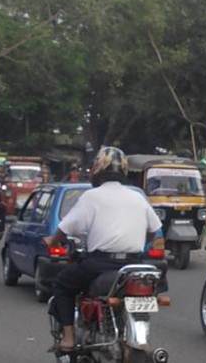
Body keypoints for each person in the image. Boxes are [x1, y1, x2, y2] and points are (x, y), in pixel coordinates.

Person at [44, 146, 162, 352]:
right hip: (134, 265)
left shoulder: (92, 196)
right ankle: (134, 338)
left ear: (98, 168)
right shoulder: (137, 197)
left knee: (63, 284)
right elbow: (154, 230)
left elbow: (64, 229)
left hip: (100, 263)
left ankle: (69, 338)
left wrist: (53, 242)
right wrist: (141, 241)